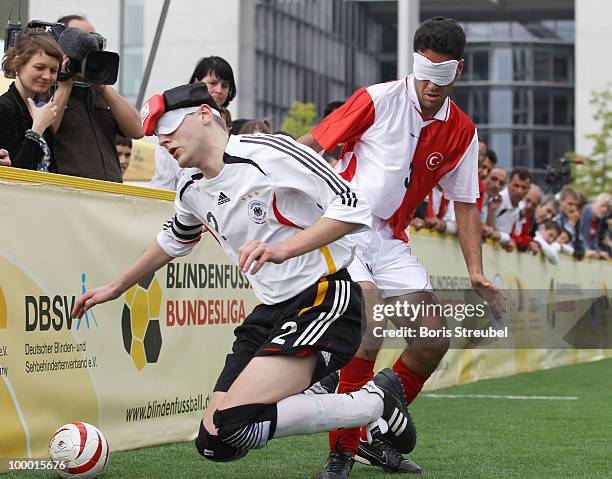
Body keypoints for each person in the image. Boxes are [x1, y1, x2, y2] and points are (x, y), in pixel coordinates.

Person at [71, 82, 417, 468]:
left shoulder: (269, 153)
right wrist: (116, 287)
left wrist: (285, 248)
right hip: (270, 310)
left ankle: (374, 402)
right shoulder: (190, 190)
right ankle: (373, 401)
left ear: (205, 114)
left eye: (168, 127)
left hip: (324, 298)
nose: (162, 139)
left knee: (235, 422)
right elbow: (174, 239)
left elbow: (353, 208)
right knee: (216, 442)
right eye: (156, 133)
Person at [298, 17, 506, 477]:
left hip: (391, 240)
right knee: (368, 329)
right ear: (413, 64)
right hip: (344, 227)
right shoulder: (377, 98)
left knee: (432, 338)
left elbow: (467, 204)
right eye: (424, 71)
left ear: (460, 71)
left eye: (442, 74)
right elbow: (310, 145)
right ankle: (342, 451)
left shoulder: (463, 132)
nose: (431, 84)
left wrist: (475, 271)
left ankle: (374, 424)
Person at [52, 15, 144, 182]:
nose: (89, 45)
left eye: (94, 38)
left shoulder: (100, 92)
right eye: (80, 37)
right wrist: (64, 84)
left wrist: (102, 86)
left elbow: (137, 130)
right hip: (71, 194)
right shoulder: (49, 89)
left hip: (109, 194)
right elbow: (46, 133)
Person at [150, 55, 237, 190]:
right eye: (213, 83)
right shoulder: (172, 134)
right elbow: (163, 187)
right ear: (197, 83)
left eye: (225, 85)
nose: (219, 90)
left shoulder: (235, 132)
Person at [0, 29, 69, 172]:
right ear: (18, 64)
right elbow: (18, 173)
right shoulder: (4, 108)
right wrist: (36, 129)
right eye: (39, 67)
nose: (47, 76)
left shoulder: (39, 108)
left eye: (53, 70)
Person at [554, 186, 585, 259]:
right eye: (570, 204)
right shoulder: (555, 217)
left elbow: (580, 246)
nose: (573, 208)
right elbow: (560, 241)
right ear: (561, 201)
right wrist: (571, 223)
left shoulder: (576, 220)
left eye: (576, 205)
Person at [580, 193, 611, 260]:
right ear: (594, 203)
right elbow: (579, 235)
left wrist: (599, 252)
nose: (605, 210)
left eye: (607, 207)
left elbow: (593, 241)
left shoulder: (598, 219)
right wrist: (586, 249)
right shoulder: (585, 211)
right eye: (602, 206)